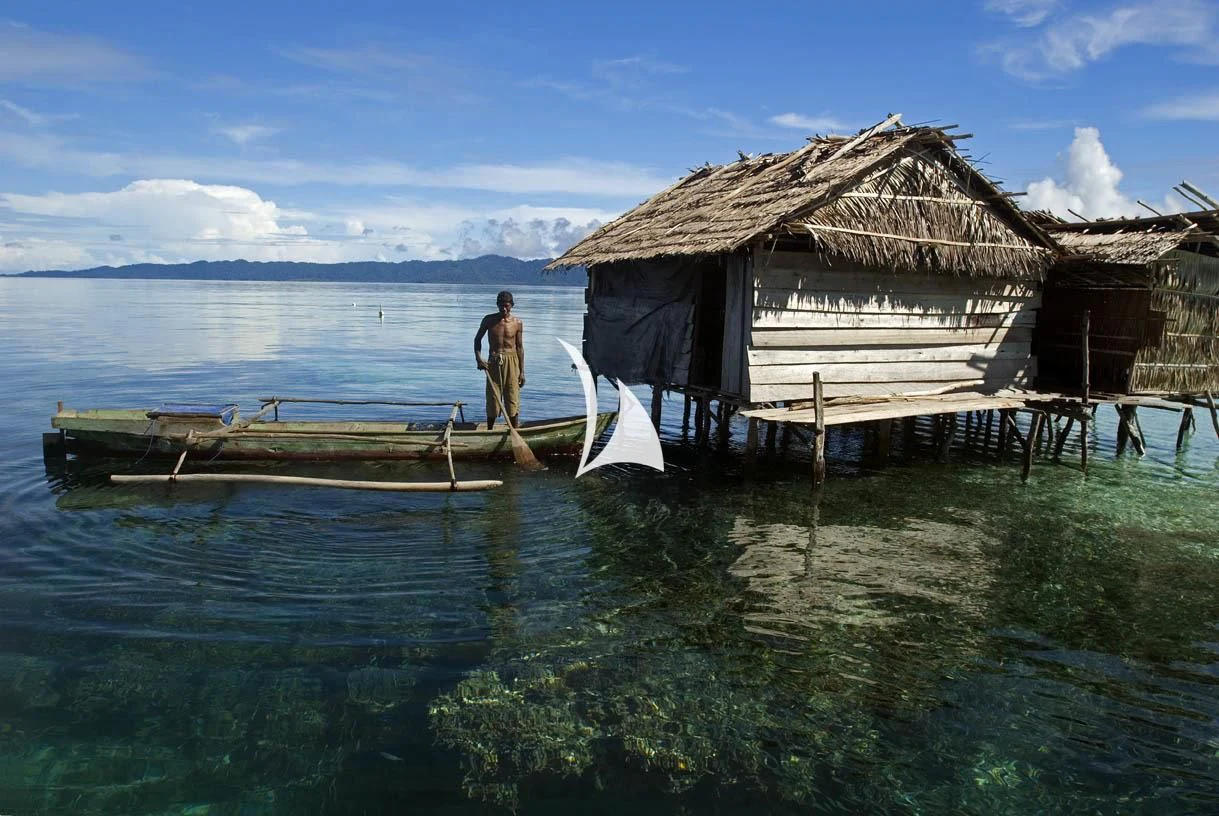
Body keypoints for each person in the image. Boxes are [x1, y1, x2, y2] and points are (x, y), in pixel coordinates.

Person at [474, 290, 525, 429]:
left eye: (507, 306)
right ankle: (490, 431)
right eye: (501, 305)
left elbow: (520, 347)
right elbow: (477, 339)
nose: (504, 309)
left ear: (511, 305)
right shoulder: (489, 320)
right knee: (492, 398)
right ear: (497, 305)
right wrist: (479, 359)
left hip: (512, 362)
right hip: (494, 362)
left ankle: (514, 431)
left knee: (512, 396)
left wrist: (522, 372)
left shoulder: (517, 323)